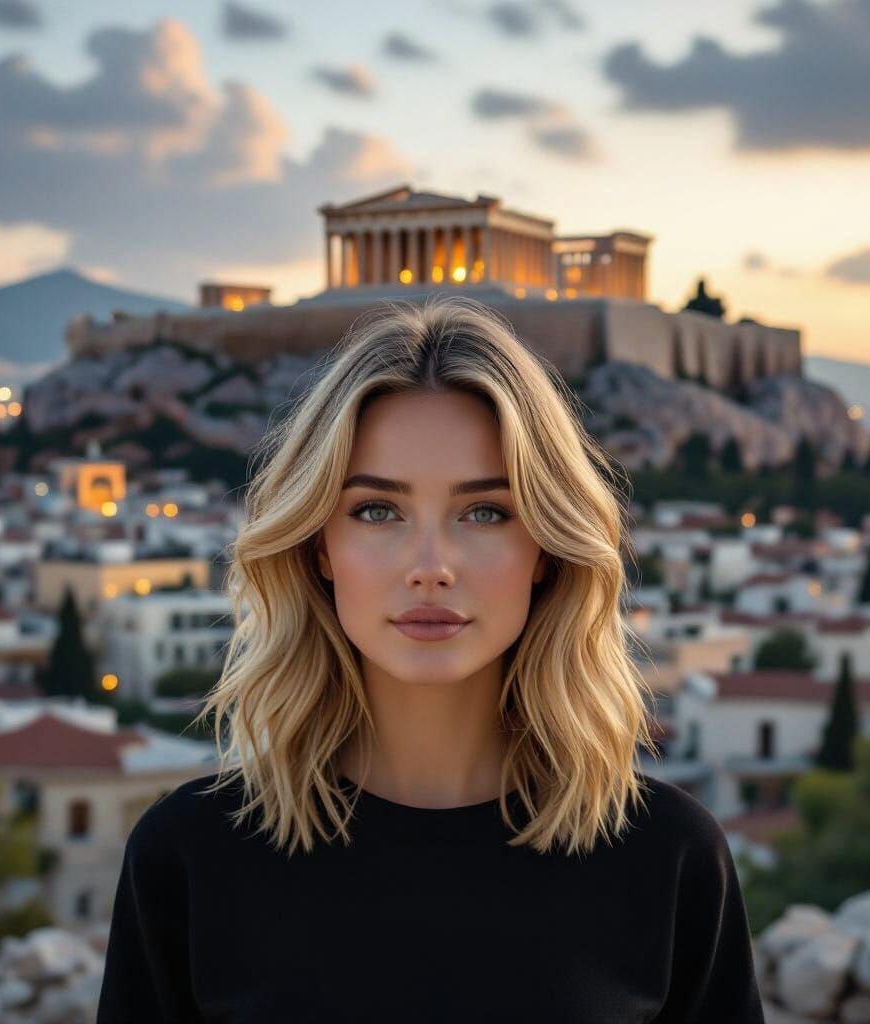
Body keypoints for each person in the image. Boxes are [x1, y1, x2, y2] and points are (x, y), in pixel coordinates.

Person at [95, 295, 766, 1023]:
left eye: (486, 512)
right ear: (320, 545)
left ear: (544, 548)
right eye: (377, 511)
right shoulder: (189, 859)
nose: (431, 566)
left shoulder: (666, 858)